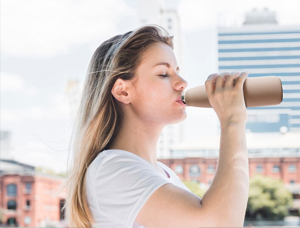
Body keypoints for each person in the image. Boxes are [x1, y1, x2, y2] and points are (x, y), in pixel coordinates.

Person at [62, 24, 249, 228]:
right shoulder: (112, 169)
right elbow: (220, 223)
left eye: (177, 71)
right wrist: (233, 121)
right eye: (163, 74)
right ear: (123, 91)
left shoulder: (163, 174)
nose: (183, 83)